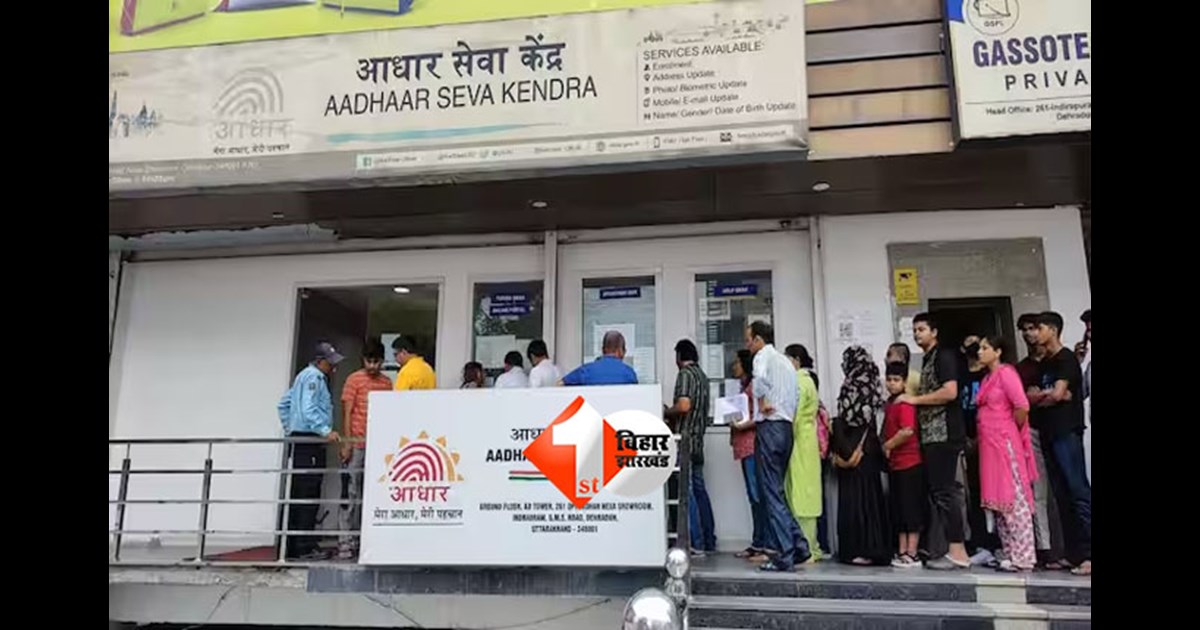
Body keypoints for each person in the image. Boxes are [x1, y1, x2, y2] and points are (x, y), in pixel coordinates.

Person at [899, 313, 970, 570]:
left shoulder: (944, 356)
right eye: (915, 330)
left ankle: (958, 550)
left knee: (945, 492)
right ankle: (949, 548)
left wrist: (914, 400)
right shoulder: (928, 358)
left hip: (945, 433)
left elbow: (950, 392)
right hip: (931, 434)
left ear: (934, 332)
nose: (917, 334)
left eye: (922, 329)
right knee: (939, 492)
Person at [1028, 312, 1090, 576]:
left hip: (1067, 431)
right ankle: (1072, 554)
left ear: (1052, 330)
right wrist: (1050, 395)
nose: (1035, 333)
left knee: (1078, 491)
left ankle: (1088, 554)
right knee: (1061, 495)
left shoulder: (1066, 358)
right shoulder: (1045, 363)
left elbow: (1058, 394)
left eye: (1039, 328)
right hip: (1048, 432)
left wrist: (1050, 396)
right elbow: (1032, 396)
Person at [745, 321, 810, 572]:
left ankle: (784, 554)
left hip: (769, 428)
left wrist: (761, 401)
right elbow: (796, 394)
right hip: (786, 428)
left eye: (749, 339)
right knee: (778, 492)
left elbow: (759, 380)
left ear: (759, 340)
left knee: (770, 494)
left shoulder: (762, 357)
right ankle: (799, 546)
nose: (747, 345)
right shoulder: (785, 362)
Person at [974, 335, 1038, 572]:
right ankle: (1010, 552)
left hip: (1004, 442)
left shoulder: (1006, 374)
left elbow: (1022, 406)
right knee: (999, 501)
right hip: (989, 445)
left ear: (998, 351)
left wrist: (1009, 429)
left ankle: (1024, 556)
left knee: (1015, 498)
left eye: (985, 347)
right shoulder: (987, 378)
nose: (980, 352)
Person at [277, 342, 344, 560]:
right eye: (330, 363)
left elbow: (283, 405)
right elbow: (309, 409)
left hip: (300, 438)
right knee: (309, 491)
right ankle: (304, 547)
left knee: (298, 491)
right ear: (320, 361)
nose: (333, 368)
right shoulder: (315, 378)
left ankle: (292, 544)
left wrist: (290, 428)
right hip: (310, 439)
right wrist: (325, 430)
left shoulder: (301, 376)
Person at [831, 346, 892, 566]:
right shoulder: (874, 384)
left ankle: (856, 548)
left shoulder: (850, 385)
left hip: (852, 447)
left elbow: (846, 419)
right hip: (870, 448)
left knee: (854, 500)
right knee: (871, 499)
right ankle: (874, 548)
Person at [1016, 313, 1068, 570]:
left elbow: (1065, 393)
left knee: (1065, 487)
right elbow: (1021, 400)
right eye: (1025, 329)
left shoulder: (1055, 362)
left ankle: (1067, 548)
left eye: (1034, 328)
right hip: (1033, 430)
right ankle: (1045, 549)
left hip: (1059, 429)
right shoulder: (1021, 368)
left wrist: (1040, 395)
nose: (1030, 334)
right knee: (1038, 492)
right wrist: (1038, 396)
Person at [336, 339, 392, 560]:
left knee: (371, 494)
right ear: (363, 360)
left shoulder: (386, 383)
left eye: (376, 362)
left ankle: (363, 539)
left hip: (377, 447)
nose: (372, 366)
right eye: (369, 361)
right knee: (350, 492)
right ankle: (345, 541)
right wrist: (347, 442)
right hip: (356, 444)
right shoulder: (354, 380)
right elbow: (347, 412)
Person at [665, 339, 714, 556]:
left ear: (679, 357)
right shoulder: (703, 376)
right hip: (698, 442)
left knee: (687, 493)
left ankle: (695, 542)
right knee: (700, 491)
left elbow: (684, 405)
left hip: (685, 442)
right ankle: (708, 540)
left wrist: (667, 412)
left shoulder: (685, 374)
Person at [959, 335, 999, 562]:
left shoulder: (989, 375)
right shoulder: (960, 376)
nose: (976, 349)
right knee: (973, 493)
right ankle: (980, 542)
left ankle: (996, 543)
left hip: (989, 439)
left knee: (994, 492)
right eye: (970, 344)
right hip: (966, 440)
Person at [783, 343, 823, 563]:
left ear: (796, 360)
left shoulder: (799, 382)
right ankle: (809, 545)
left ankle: (806, 547)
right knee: (805, 492)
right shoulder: (807, 381)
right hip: (806, 441)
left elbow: (794, 415)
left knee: (800, 495)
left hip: (800, 442)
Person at [728, 349, 770, 560]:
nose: (734, 366)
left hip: (752, 446)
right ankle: (757, 541)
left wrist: (741, 425)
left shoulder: (754, 387)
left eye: (737, 362)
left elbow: (761, 414)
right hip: (743, 448)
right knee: (753, 496)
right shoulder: (743, 387)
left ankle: (764, 543)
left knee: (757, 495)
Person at [882, 361, 923, 568]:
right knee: (898, 509)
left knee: (910, 509)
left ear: (905, 382)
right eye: (889, 379)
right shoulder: (890, 403)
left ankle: (912, 552)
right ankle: (901, 550)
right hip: (896, 464)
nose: (892, 383)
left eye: (896, 380)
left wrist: (888, 445)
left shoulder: (905, 404)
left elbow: (907, 430)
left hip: (909, 462)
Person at [560, 331, 639, 386]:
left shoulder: (586, 370)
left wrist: (580, 401)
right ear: (620, 351)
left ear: (603, 350)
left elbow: (560, 384)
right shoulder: (629, 373)